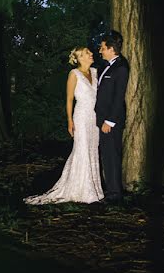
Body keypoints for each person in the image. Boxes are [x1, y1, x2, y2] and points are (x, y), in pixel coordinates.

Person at [24, 46, 104, 205]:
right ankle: (84, 191)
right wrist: (69, 121)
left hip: (95, 118)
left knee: (92, 149)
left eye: (90, 52)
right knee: (82, 149)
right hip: (81, 116)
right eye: (87, 53)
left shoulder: (95, 72)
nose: (91, 54)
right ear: (80, 58)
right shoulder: (74, 74)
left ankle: (95, 188)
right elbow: (69, 100)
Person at [95, 31, 129, 203]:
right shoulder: (104, 66)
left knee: (112, 156)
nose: (100, 51)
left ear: (110, 48)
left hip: (111, 121)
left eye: (102, 48)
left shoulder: (121, 67)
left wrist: (109, 121)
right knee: (107, 156)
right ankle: (111, 191)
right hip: (102, 119)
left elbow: (118, 97)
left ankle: (115, 195)